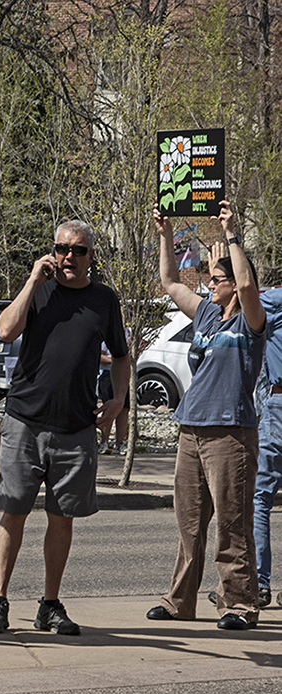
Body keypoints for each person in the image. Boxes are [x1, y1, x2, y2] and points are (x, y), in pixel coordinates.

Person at [0, 220, 129, 636]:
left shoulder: (104, 301)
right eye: (62, 249)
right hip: (25, 421)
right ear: (53, 252)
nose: (69, 258)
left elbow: (120, 357)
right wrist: (30, 280)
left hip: (77, 428)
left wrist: (117, 400)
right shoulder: (39, 291)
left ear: (91, 257)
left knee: (62, 518)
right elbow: (6, 330)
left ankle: (49, 604)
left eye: (78, 251)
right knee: (15, 511)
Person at [146, 201, 264, 630]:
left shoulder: (252, 321)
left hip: (230, 433)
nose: (210, 285)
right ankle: (180, 600)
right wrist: (165, 232)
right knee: (189, 523)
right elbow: (169, 281)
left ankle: (238, 604)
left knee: (232, 521)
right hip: (191, 427)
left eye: (218, 280)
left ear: (234, 284)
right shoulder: (208, 314)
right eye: (211, 280)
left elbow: (250, 288)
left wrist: (232, 234)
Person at [252, 288, 282, 609]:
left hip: (279, 402)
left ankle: (259, 583)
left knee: (260, 498)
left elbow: (246, 293)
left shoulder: (274, 301)